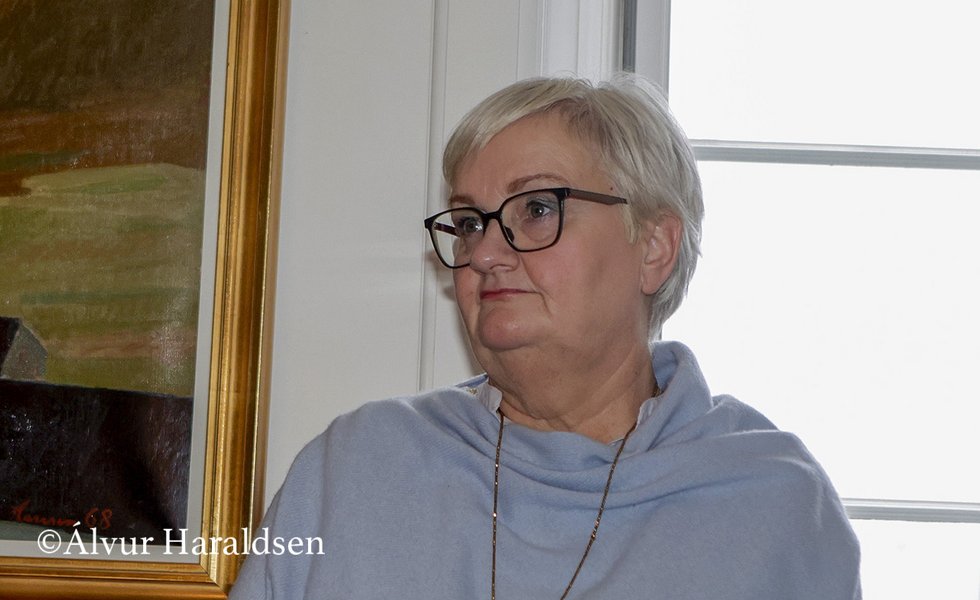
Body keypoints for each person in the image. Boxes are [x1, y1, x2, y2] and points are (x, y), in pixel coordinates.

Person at [230, 75, 861, 599]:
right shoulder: (356, 469)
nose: (484, 254)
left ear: (654, 247)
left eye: (536, 209)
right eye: (470, 222)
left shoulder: (773, 505)